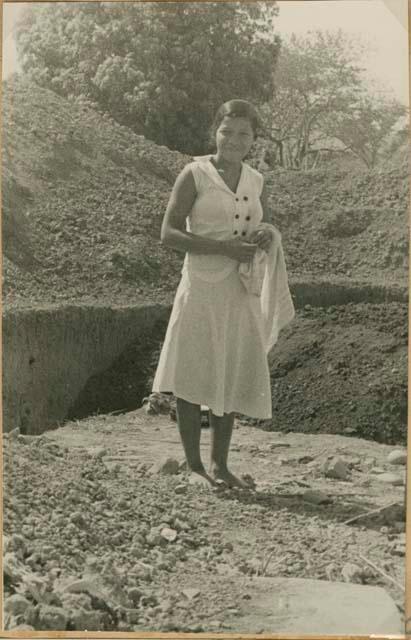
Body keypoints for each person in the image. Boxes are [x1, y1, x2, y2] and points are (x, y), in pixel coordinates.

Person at [152, 99, 294, 489]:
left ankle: (220, 465)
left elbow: (255, 225)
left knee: (229, 369)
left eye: (243, 134)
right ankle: (195, 465)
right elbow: (168, 233)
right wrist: (223, 249)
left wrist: (266, 234)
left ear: (253, 140)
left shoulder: (255, 180)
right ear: (215, 131)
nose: (233, 140)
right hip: (201, 284)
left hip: (239, 287)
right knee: (192, 371)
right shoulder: (194, 174)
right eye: (227, 131)